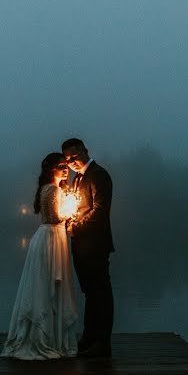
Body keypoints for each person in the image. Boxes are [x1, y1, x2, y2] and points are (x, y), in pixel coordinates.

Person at [1, 153, 79, 360]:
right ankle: (46, 338)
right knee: (48, 286)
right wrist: (73, 210)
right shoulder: (54, 189)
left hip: (48, 236)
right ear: (50, 169)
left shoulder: (48, 188)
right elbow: (55, 217)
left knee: (43, 284)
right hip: (52, 237)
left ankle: (45, 334)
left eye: (66, 166)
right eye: (60, 166)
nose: (65, 169)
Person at [62, 138, 114, 358]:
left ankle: (103, 343)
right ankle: (88, 338)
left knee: (100, 292)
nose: (72, 162)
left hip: (95, 244)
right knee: (89, 292)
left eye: (74, 156)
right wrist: (67, 221)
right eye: (67, 159)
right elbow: (74, 207)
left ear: (85, 150)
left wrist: (76, 227)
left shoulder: (99, 174)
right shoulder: (76, 178)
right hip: (80, 245)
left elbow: (100, 211)